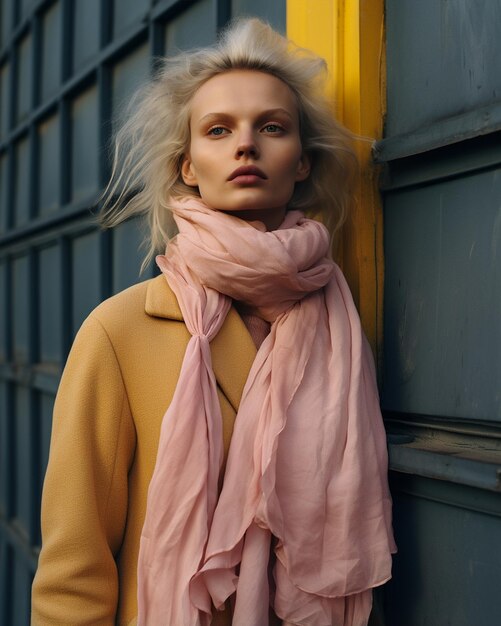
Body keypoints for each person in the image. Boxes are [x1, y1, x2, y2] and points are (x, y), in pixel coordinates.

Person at [31, 18, 396, 626]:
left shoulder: (337, 325)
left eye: (271, 127)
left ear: (302, 163)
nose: (245, 145)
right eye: (219, 130)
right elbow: (74, 564)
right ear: (190, 167)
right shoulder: (120, 332)